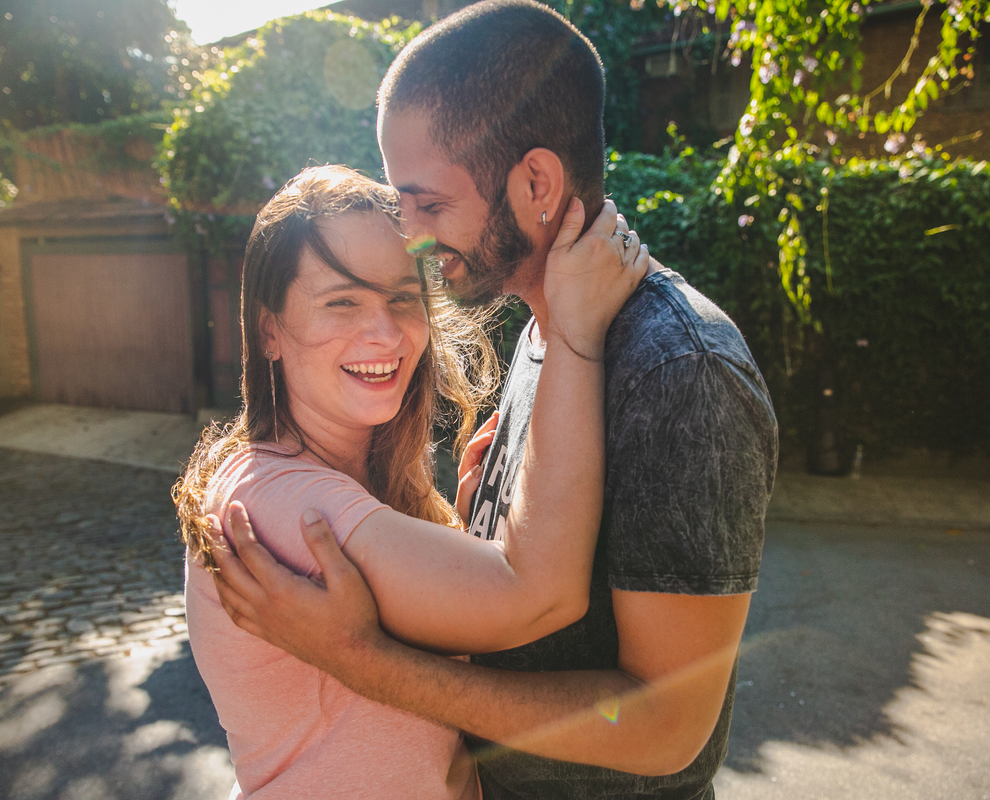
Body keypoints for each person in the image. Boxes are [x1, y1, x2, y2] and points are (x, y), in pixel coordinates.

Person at [208, 1, 779, 798]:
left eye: (429, 203)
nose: (408, 232)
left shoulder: (676, 368)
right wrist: (474, 522)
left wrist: (366, 661)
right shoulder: (550, 333)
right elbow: (507, 583)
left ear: (536, 183)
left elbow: (666, 727)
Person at [174, 164, 647, 799]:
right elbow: (540, 597)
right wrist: (575, 330)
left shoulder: (362, 482)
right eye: (342, 301)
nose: (387, 332)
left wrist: (461, 536)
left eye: (403, 296)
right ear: (269, 330)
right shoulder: (277, 506)